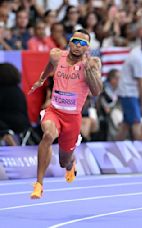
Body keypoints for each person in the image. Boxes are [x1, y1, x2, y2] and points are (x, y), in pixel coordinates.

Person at [29, 29, 103, 199]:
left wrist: (89, 70)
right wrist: (41, 79)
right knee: (48, 135)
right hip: (54, 111)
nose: (78, 45)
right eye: (75, 41)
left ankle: (71, 164)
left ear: (88, 47)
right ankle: (39, 184)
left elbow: (96, 91)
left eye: (83, 43)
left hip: (73, 117)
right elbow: (49, 67)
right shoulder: (56, 55)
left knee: (64, 161)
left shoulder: (93, 63)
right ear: (69, 42)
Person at [116, 32, 142, 141]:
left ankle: (114, 148)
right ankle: (140, 152)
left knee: (126, 125)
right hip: (129, 92)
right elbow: (141, 84)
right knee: (136, 123)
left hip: (128, 91)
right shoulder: (138, 58)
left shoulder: (140, 53)